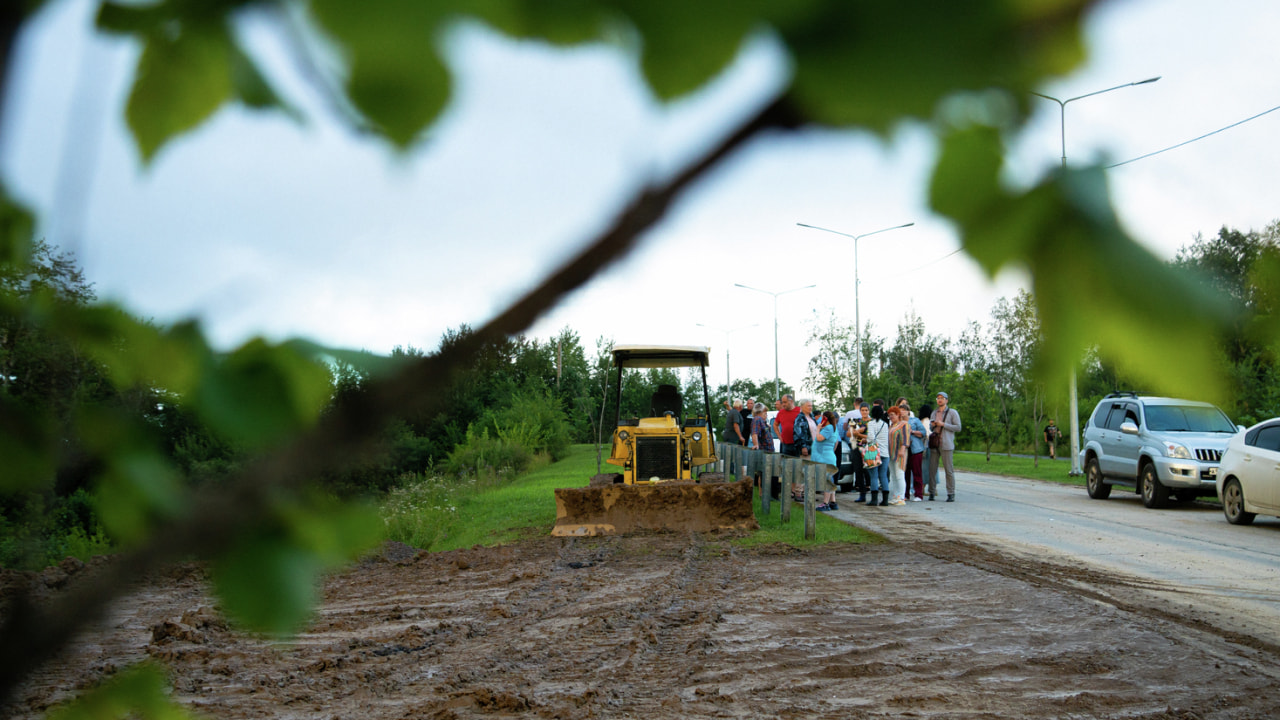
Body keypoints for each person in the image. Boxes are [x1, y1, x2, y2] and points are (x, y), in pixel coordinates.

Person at [928, 391, 962, 501]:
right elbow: (930, 427)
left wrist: (943, 424)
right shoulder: (934, 412)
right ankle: (932, 492)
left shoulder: (952, 413)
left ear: (946, 400)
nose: (940, 400)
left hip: (946, 443)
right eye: (938, 398)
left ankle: (951, 493)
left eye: (942, 398)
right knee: (932, 469)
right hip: (935, 442)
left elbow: (958, 427)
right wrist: (933, 425)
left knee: (949, 470)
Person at [810, 410, 840, 511]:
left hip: (825, 458)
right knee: (830, 479)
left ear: (825, 418)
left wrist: (818, 429)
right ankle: (833, 502)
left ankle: (825, 503)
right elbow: (836, 443)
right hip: (827, 456)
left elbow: (819, 438)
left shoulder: (829, 427)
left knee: (827, 480)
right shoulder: (833, 428)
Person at [863, 404, 891, 506]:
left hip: (873, 451)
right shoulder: (885, 424)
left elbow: (870, 438)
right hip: (885, 452)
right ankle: (885, 500)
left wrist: (865, 440)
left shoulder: (871, 424)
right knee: (883, 475)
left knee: (874, 476)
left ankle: (874, 499)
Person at [887, 406, 910, 505]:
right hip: (890, 453)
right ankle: (895, 495)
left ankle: (901, 497)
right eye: (889, 415)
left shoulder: (904, 425)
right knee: (893, 475)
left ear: (898, 414)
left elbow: (906, 438)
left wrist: (903, 448)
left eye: (892, 414)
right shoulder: (891, 426)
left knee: (899, 474)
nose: (891, 417)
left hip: (900, 452)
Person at [907, 403, 928, 501]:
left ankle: (918, 494)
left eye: (904, 410)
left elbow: (923, 433)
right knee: (905, 473)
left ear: (908, 412)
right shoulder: (898, 422)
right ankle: (905, 494)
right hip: (904, 450)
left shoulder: (915, 421)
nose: (902, 413)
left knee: (917, 472)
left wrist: (913, 432)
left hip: (915, 449)